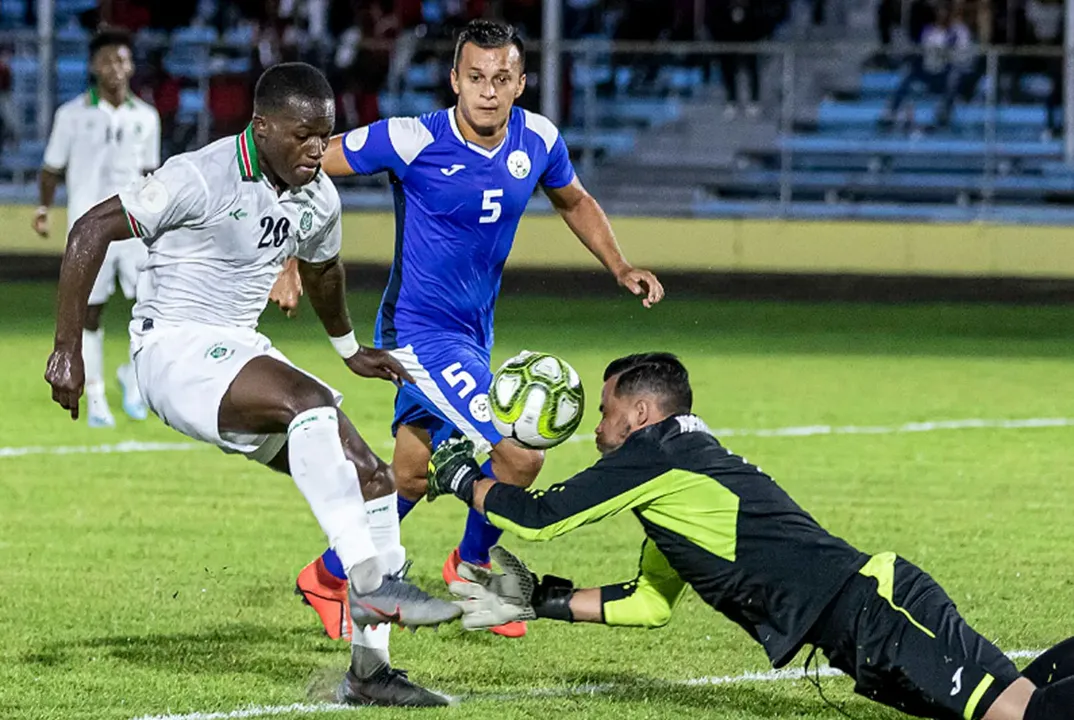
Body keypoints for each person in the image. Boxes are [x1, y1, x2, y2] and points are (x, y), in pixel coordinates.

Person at [43, 61, 461, 708]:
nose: (318, 151)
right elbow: (90, 229)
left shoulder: (317, 194)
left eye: (325, 136)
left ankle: (370, 672)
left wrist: (350, 349)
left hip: (236, 350)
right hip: (171, 350)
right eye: (302, 136)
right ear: (261, 127)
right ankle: (372, 578)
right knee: (310, 403)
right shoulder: (199, 174)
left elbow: (324, 273)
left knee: (371, 477)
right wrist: (67, 349)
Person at [281, 19, 665, 641]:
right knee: (520, 450)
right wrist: (291, 255)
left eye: (502, 78)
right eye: (476, 77)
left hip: (473, 330)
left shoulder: (538, 138)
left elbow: (574, 200)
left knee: (408, 474)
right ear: (454, 79)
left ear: (520, 82)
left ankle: (326, 576)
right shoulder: (410, 139)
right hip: (416, 331)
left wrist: (619, 265)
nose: (488, 91)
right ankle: (472, 566)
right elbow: (301, 163)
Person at [426, 352, 1074, 720]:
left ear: (643, 414)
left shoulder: (661, 454)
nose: (596, 428)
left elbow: (543, 515)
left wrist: (462, 478)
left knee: (1018, 716)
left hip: (875, 610)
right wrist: (536, 600)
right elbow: (647, 604)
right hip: (858, 627)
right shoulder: (673, 488)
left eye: (605, 411)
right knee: (1024, 707)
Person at [35, 26, 161, 427]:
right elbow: (52, 168)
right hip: (87, 231)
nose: (115, 68)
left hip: (134, 226)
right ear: (93, 66)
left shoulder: (147, 117)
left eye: (122, 60)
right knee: (90, 312)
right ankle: (96, 398)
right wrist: (44, 207)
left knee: (153, 305)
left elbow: (151, 174)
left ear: (131, 66)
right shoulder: (71, 115)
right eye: (107, 60)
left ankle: (134, 379)